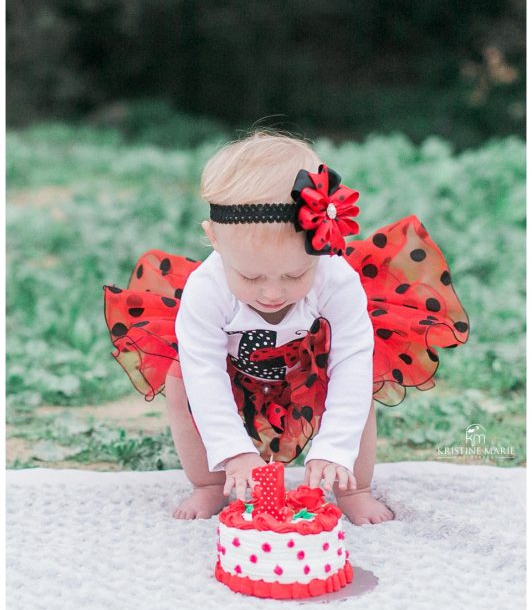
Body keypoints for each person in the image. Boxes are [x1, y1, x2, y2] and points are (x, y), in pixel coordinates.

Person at [103, 130, 469, 525]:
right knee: (181, 382)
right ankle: (209, 484)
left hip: (311, 362)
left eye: (296, 273)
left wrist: (332, 447)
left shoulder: (336, 277)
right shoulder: (206, 289)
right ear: (214, 239)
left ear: (321, 246)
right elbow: (204, 372)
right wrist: (235, 451)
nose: (273, 293)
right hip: (229, 368)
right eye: (251, 276)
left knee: (358, 384)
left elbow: (351, 361)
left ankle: (355, 487)